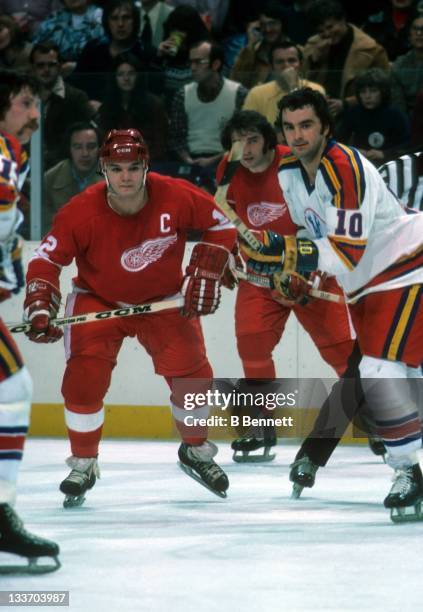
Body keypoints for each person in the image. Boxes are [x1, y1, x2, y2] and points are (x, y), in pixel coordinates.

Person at [24, 128, 236, 506]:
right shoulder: (80, 211)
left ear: (146, 167)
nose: (126, 176)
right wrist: (41, 301)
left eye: (133, 167)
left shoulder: (177, 194)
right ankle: (84, 462)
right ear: (104, 169)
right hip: (98, 301)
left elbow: (222, 225)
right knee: (83, 380)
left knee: (194, 378)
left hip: (164, 301)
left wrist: (206, 268)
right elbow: (46, 258)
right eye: (117, 168)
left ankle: (195, 451)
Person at [243, 87, 423, 521]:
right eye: (289, 127)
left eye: (307, 125)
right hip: (364, 286)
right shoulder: (287, 170)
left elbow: (345, 252)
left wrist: (285, 253)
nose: (298, 134)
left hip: (404, 266)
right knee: (401, 372)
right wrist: (292, 271)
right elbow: (312, 235)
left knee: (378, 369)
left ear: (325, 126)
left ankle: (408, 472)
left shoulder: (345, 168)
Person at [217, 110, 355, 460]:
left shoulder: (294, 165)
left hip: (309, 270)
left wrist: (309, 272)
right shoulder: (227, 169)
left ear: (267, 138)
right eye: (237, 141)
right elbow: (222, 217)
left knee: (343, 354)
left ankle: (382, 422)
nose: (244, 149)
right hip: (260, 276)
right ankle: (263, 426)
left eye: (251, 140)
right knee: (252, 346)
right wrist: (222, 255)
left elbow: (324, 220)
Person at [0, 69, 60, 572]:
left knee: (11, 387)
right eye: (24, 103)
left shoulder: (11, 156)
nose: (35, 115)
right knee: (13, 387)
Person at [169, 40, 247, 192]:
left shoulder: (238, 93)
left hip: (227, 161)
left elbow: (243, 139)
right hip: (190, 162)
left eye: (199, 62)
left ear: (216, 64)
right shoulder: (183, 94)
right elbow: (176, 137)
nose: (192, 68)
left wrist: (214, 160)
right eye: (191, 62)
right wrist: (188, 159)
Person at [302, 0, 390, 117]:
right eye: (321, 31)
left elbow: (385, 89)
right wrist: (314, 60)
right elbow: (301, 82)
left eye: (330, 27)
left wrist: (346, 104)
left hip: (359, 116)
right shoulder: (312, 46)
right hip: (319, 114)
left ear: (343, 20)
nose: (327, 33)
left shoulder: (372, 49)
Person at [30, 41, 93, 169]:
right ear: (32, 68)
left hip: (65, 167)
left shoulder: (76, 98)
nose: (46, 70)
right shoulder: (23, 98)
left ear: (60, 67)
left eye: (51, 65)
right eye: (40, 65)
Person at [96, 52, 168, 162]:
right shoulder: (107, 107)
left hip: (148, 163)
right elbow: (104, 143)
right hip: (116, 163)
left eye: (131, 73)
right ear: (114, 78)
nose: (126, 78)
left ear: (138, 76)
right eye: (120, 74)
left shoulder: (154, 104)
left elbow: (160, 145)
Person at [243, 40, 325, 129]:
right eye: (280, 62)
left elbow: (318, 127)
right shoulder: (256, 93)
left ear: (300, 64)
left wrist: (293, 87)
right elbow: (247, 128)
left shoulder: (316, 90)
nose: (286, 65)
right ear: (271, 67)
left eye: (292, 60)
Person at [336, 67, 410, 165]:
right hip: (360, 163)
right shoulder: (353, 113)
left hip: (390, 164)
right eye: (363, 92)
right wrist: (354, 151)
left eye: (373, 91)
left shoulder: (396, 114)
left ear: (383, 92)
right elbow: (337, 142)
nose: (367, 96)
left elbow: (407, 145)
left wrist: (385, 154)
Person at [43, 121, 103, 232]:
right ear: (69, 149)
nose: (85, 153)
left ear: (99, 149)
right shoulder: (50, 179)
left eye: (91, 146)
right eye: (78, 147)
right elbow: (45, 225)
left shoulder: (114, 176)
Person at [230, 0, 286, 90]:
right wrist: (250, 46)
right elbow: (236, 83)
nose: (268, 29)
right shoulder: (251, 51)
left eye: (272, 23)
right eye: (263, 25)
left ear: (282, 24)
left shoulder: (295, 51)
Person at [391, 14, 423, 115]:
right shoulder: (400, 64)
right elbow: (398, 105)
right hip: (409, 120)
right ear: (409, 35)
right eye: (415, 29)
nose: (419, 33)